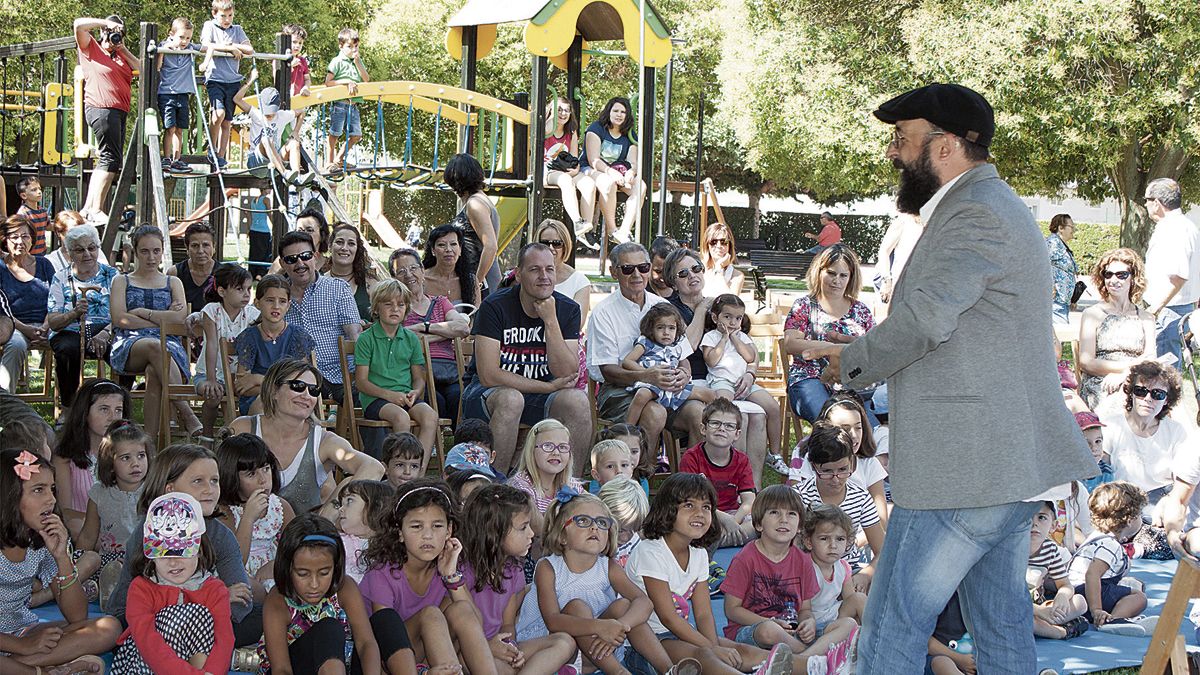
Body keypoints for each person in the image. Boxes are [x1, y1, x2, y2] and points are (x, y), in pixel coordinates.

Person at [801, 83, 1097, 673]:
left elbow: (925, 319)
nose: (892, 153)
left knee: (891, 620)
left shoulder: (977, 213)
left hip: (962, 467)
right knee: (1001, 621)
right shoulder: (984, 207)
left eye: (901, 139)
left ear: (944, 147)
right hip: (993, 467)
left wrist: (849, 359)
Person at [624, 473, 796, 675]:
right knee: (704, 655)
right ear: (667, 509)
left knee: (738, 650)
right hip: (647, 644)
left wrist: (716, 646)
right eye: (689, 505)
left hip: (679, 635)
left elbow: (704, 613)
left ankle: (815, 663)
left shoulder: (698, 555)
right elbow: (668, 617)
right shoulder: (651, 552)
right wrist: (712, 649)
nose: (700, 513)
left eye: (706, 507)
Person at [514, 487, 696, 675]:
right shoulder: (548, 567)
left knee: (624, 605)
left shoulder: (608, 566)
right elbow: (553, 621)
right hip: (555, 647)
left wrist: (621, 625)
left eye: (602, 523)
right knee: (577, 607)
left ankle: (668, 670)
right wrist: (600, 627)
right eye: (583, 521)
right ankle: (619, 672)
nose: (594, 527)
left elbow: (644, 602)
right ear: (562, 535)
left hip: (599, 649)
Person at [105, 443, 259, 647]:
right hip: (146, 617)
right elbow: (148, 603)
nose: (209, 490)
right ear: (170, 489)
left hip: (200, 616)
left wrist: (216, 608)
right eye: (198, 481)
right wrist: (217, 600)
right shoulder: (151, 531)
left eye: (214, 481)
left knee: (263, 616)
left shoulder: (221, 536)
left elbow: (241, 601)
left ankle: (194, 647)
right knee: (122, 630)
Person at [461, 243, 589, 472]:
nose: (544, 277)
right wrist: (546, 388)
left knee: (578, 401)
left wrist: (550, 321)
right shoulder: (495, 306)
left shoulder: (567, 309)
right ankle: (495, 487)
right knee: (512, 399)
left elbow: (567, 372)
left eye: (550, 270)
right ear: (518, 275)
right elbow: (489, 375)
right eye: (535, 270)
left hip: (538, 398)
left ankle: (570, 489)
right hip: (488, 395)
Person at [0, 450, 120, 675]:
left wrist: (62, 557)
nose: (52, 499)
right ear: (9, 496)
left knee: (109, 628)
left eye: (52, 489)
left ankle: (18, 668)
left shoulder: (40, 540)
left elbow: (77, 617)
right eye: (38, 490)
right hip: (14, 642)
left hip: (24, 631)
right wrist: (22, 646)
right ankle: (45, 671)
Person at [359, 479, 494, 672]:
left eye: (437, 526)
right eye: (416, 526)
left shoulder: (449, 565)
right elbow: (386, 636)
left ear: (449, 531)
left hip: (430, 653)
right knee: (430, 614)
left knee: (460, 608)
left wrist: (451, 575)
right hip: (388, 659)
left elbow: (474, 625)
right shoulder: (382, 573)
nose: (428, 535)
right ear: (400, 533)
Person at [589, 242, 705, 462]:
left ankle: (691, 481)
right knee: (655, 412)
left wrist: (684, 374)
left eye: (642, 268)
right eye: (627, 269)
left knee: (699, 413)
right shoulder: (603, 312)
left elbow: (682, 355)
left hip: (667, 387)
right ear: (614, 272)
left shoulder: (661, 305)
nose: (636, 274)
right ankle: (641, 475)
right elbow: (608, 372)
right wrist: (645, 375)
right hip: (618, 389)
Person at [662, 247, 772, 477]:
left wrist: (750, 372)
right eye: (683, 274)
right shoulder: (668, 310)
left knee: (758, 415)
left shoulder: (722, 306)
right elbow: (685, 347)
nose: (692, 276)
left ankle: (751, 489)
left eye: (696, 269)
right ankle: (697, 485)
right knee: (710, 414)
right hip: (686, 387)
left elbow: (747, 342)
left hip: (725, 382)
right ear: (672, 281)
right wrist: (702, 311)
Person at [260, 514, 415, 674]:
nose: (314, 584)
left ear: (336, 567)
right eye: (303, 574)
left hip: (346, 666)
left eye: (324, 573)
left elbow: (365, 643)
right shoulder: (277, 601)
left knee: (386, 619)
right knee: (329, 629)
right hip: (296, 669)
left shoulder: (345, 588)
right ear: (287, 568)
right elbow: (281, 669)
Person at [723, 485, 859, 667]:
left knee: (848, 624)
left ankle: (802, 661)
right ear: (758, 524)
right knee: (769, 630)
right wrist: (768, 621)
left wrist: (808, 623)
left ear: (800, 526)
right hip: (754, 629)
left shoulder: (802, 561)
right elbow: (732, 610)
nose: (783, 520)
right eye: (774, 513)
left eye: (791, 514)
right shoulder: (745, 559)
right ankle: (811, 661)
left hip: (793, 633)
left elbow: (805, 609)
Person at [228, 358, 384, 514]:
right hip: (244, 533)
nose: (306, 395)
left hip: (303, 536)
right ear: (273, 391)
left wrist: (331, 512)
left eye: (314, 390)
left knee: (348, 482)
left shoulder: (323, 441)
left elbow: (374, 468)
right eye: (298, 386)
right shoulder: (244, 428)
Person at [457, 484, 578, 673]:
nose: (531, 533)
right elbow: (455, 632)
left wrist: (511, 648)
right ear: (494, 531)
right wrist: (490, 647)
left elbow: (507, 623)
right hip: (469, 652)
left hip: (500, 646)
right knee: (491, 666)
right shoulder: (464, 571)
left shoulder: (513, 569)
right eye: (523, 527)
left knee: (565, 642)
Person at [111, 492, 234, 673]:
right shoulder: (141, 588)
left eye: (182, 551)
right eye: (163, 553)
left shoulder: (215, 589)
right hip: (142, 666)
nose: (173, 561)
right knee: (188, 614)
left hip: (197, 667)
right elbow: (146, 641)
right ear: (150, 557)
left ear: (199, 549)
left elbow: (224, 638)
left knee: (200, 615)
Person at [110, 225, 202, 443]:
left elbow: (179, 320)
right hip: (130, 344)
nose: (151, 257)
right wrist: (164, 317)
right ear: (135, 251)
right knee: (154, 346)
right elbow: (120, 319)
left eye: (156, 251)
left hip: (169, 346)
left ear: (162, 251)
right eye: (144, 251)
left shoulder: (173, 282)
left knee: (155, 369)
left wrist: (143, 312)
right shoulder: (122, 280)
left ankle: (150, 443)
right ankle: (187, 413)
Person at [783, 244, 875, 424]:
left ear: (851, 278)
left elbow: (873, 348)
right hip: (809, 378)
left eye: (843, 275)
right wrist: (832, 348)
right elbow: (790, 344)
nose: (837, 281)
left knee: (872, 430)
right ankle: (824, 448)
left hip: (851, 383)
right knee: (833, 421)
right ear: (819, 272)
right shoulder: (804, 305)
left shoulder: (861, 311)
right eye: (831, 273)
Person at [354, 279, 439, 464]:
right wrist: (390, 395)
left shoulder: (411, 339)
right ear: (376, 308)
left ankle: (417, 473)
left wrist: (416, 392)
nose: (395, 309)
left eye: (400, 304)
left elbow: (418, 378)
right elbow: (361, 382)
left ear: (407, 309)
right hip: (376, 399)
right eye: (388, 304)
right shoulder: (366, 339)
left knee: (430, 416)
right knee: (401, 417)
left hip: (405, 396)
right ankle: (400, 470)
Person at [794, 423, 884, 593]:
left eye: (843, 470)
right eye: (827, 471)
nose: (836, 479)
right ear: (813, 466)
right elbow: (790, 549)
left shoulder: (861, 498)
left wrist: (866, 574)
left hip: (849, 573)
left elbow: (882, 551)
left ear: (852, 463)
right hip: (807, 572)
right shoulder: (799, 497)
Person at [278, 230, 362, 402]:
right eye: (291, 259)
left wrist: (360, 376)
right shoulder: (278, 297)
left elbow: (355, 337)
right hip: (297, 380)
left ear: (315, 256)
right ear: (283, 263)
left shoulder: (338, 289)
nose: (300, 263)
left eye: (305, 256)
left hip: (340, 376)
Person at [76, 419, 152, 607]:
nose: (136, 463)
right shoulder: (99, 493)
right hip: (109, 560)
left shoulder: (154, 491)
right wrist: (79, 556)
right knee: (90, 562)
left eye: (141, 456)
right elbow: (88, 534)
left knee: (145, 572)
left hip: (142, 559)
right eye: (126, 458)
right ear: (110, 463)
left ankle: (112, 591)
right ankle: (95, 587)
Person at [1066, 481, 1156, 636]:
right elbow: (1092, 575)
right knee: (1139, 597)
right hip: (1086, 591)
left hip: (1075, 591)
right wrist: (1097, 610)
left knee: (1135, 584)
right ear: (1130, 520)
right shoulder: (1110, 544)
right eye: (1139, 515)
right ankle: (1112, 620)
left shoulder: (1097, 537)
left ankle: (1111, 614)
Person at [392, 247, 470, 424]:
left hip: (449, 372)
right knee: (437, 403)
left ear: (422, 270)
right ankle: (435, 447)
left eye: (413, 268)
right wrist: (445, 333)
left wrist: (423, 327)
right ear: (394, 278)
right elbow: (397, 337)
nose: (409, 275)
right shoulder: (396, 308)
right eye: (401, 271)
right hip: (416, 374)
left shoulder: (440, 302)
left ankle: (458, 449)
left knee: (460, 398)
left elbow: (462, 327)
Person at [1100, 360, 1191, 509]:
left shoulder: (1176, 432)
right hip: (1121, 503)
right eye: (1141, 391)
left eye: (1158, 394)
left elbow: (1183, 481)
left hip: (1163, 503)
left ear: (1167, 399)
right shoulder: (1110, 426)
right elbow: (1101, 477)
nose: (1148, 399)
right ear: (1131, 392)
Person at [702, 294, 783, 460]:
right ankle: (728, 455)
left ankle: (775, 455)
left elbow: (750, 357)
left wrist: (734, 338)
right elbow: (711, 360)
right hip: (721, 381)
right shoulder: (710, 337)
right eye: (727, 317)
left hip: (744, 382)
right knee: (727, 409)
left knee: (773, 407)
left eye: (738, 318)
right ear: (715, 317)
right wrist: (725, 338)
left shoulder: (743, 337)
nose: (733, 323)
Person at [74, 14, 138, 223]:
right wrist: (105, 24)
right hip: (102, 108)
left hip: (118, 111)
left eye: (119, 33)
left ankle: (88, 208)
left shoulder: (122, 57)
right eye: (111, 33)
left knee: (109, 159)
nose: (113, 36)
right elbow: (79, 25)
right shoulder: (91, 48)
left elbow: (146, 70)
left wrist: (122, 48)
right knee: (110, 158)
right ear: (102, 32)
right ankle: (96, 209)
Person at [215, 433, 296, 594]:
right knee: (247, 586)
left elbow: (298, 545)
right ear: (231, 477)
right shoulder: (225, 513)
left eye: (266, 469)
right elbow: (234, 564)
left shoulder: (280, 507)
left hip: (273, 570)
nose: (263, 480)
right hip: (239, 576)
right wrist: (248, 518)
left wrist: (277, 564)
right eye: (251, 474)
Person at [1078, 248, 1156, 410]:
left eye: (1121, 275)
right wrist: (1130, 366)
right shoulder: (1092, 314)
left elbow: (1151, 359)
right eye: (1108, 274)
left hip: (1137, 381)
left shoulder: (1146, 318)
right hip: (1101, 383)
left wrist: (1125, 374)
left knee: (1170, 408)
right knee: (1118, 404)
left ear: (1133, 278)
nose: (1114, 280)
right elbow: (1086, 362)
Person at [52, 378, 132, 535]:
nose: (113, 417)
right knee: (75, 524)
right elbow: (66, 512)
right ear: (85, 412)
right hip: (86, 530)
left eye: (118, 410)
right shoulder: (65, 459)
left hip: (126, 527)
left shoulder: (130, 455)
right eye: (104, 409)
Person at [679, 398, 758, 549]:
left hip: (733, 514)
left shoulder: (742, 460)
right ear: (703, 429)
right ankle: (726, 539)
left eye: (729, 426)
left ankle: (710, 542)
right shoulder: (691, 458)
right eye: (715, 423)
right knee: (685, 522)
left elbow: (749, 501)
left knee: (760, 522)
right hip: (701, 512)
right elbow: (688, 500)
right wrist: (725, 520)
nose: (722, 429)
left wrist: (734, 521)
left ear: (737, 434)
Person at [232, 274, 316, 415]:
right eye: (270, 300)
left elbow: (303, 382)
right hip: (256, 400)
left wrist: (260, 379)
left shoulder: (297, 336)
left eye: (282, 301)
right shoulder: (249, 337)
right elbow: (243, 386)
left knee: (287, 407)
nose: (276, 306)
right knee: (264, 405)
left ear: (288, 305)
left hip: (293, 400)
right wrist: (282, 388)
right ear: (258, 303)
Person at [622, 303, 715, 429]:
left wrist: (684, 373)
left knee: (710, 395)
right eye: (660, 328)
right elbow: (627, 362)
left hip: (674, 387)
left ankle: (714, 427)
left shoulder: (676, 345)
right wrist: (647, 373)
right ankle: (627, 430)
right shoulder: (646, 342)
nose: (666, 333)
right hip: (653, 384)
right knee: (642, 394)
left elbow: (684, 364)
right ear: (651, 328)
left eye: (671, 328)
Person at [1142, 177, 1200, 365]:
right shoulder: (1184, 225)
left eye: (1147, 200)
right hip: (1172, 307)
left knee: (1163, 370)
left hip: (1168, 310)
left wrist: (1156, 307)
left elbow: (1179, 276)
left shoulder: (1175, 229)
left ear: (1157, 203)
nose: (1146, 205)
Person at [194, 264, 257, 437]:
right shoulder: (212, 311)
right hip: (210, 373)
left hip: (239, 376)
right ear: (222, 291)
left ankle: (238, 434)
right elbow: (212, 345)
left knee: (250, 392)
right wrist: (211, 379)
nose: (246, 294)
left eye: (249, 289)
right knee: (213, 394)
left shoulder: (251, 314)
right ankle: (207, 436)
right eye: (239, 289)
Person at [580, 97, 645, 245]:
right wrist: (611, 172)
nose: (619, 114)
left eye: (623, 112)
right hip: (593, 170)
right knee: (608, 184)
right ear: (608, 111)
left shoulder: (630, 135)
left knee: (641, 186)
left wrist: (631, 172)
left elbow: (632, 162)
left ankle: (624, 230)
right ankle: (612, 230)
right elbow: (593, 160)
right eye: (615, 110)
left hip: (619, 171)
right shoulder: (596, 129)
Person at [0, 215, 54, 393]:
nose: (20, 241)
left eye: (25, 236)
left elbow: (57, 299)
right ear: (5, 240)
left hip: (49, 324)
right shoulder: (1, 268)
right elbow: (2, 309)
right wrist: (26, 329)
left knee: (68, 343)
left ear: (32, 239)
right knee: (16, 345)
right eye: (14, 237)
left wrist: (45, 326)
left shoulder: (45, 265)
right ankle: (6, 403)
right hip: (15, 326)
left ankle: (68, 407)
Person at [505, 419, 584, 539]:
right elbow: (541, 531)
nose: (556, 452)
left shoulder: (572, 485)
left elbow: (593, 512)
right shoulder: (520, 486)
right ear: (532, 450)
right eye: (548, 446)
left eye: (563, 447)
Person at [200, 0, 253, 169]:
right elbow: (206, 46)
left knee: (227, 121)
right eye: (223, 16)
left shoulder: (237, 30)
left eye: (230, 15)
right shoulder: (210, 26)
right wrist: (229, 50)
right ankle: (212, 148)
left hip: (233, 80)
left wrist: (233, 46)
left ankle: (221, 156)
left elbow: (249, 50)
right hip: (215, 78)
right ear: (214, 14)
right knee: (219, 113)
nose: (227, 19)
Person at [1028, 501, 1089, 640]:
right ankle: (1061, 632)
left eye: (1042, 517)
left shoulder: (1050, 549)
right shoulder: (1010, 549)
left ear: (1054, 526)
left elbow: (1065, 585)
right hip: (1015, 606)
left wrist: (1062, 596)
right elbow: (1004, 596)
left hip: (1039, 607)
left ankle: (1044, 624)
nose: (1034, 524)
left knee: (1079, 602)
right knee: (1023, 619)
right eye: (1028, 518)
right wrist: (1038, 611)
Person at [802, 505, 867, 631]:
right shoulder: (806, 568)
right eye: (824, 538)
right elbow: (804, 609)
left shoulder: (843, 567)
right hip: (811, 623)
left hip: (835, 616)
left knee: (859, 598)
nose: (833, 545)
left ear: (848, 542)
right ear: (809, 542)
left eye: (840, 539)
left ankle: (876, 637)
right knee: (849, 624)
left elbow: (850, 599)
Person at [544, 97, 597, 243]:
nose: (563, 113)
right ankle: (577, 221)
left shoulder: (571, 132)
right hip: (548, 170)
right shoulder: (546, 128)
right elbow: (547, 129)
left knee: (588, 184)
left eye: (567, 110)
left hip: (565, 169)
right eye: (559, 109)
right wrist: (553, 115)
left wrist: (575, 169)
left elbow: (574, 158)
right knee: (565, 180)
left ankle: (586, 229)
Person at [445, 153, 501, 294]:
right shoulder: (473, 200)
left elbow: (490, 246)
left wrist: (477, 282)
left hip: (484, 280)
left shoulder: (475, 204)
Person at [156, 17, 201, 173]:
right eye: (181, 37)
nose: (185, 41)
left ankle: (177, 159)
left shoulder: (190, 48)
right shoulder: (164, 46)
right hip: (167, 93)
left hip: (182, 94)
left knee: (180, 129)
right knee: (170, 127)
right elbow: (157, 67)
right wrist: (165, 50)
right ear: (171, 34)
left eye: (188, 38)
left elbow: (206, 48)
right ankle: (166, 158)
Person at [324, 28, 369, 172]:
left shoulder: (357, 61)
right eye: (349, 46)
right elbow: (328, 82)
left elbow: (366, 80)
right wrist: (346, 82)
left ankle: (340, 158)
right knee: (335, 134)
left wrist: (358, 63)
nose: (353, 49)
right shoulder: (337, 61)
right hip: (340, 104)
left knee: (357, 135)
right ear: (341, 46)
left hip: (353, 104)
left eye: (356, 46)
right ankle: (330, 162)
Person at [333, 479, 394, 583]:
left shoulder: (394, 547)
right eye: (341, 504)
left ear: (377, 506)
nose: (341, 509)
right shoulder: (337, 544)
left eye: (349, 501)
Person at [536, 218, 593, 321]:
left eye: (557, 243)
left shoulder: (580, 282)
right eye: (544, 243)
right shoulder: (525, 275)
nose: (551, 248)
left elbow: (577, 323)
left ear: (565, 246)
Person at [324, 223, 380, 323]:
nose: (344, 248)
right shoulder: (319, 281)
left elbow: (384, 323)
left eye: (351, 244)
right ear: (330, 246)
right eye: (339, 242)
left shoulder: (370, 283)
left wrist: (365, 325)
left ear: (357, 249)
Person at [872, 213, 923, 320]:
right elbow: (884, 251)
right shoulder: (904, 221)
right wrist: (887, 281)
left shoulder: (935, 221)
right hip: (900, 284)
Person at [168, 222, 222, 314]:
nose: (201, 251)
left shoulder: (225, 274)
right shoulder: (175, 273)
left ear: (214, 247)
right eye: (195, 246)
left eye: (206, 245)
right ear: (187, 248)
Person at [422, 222, 480, 308]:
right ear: (433, 250)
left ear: (460, 249)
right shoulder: (421, 281)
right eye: (441, 245)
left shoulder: (471, 281)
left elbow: (476, 315)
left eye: (453, 244)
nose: (448, 249)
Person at [45, 211, 110, 276]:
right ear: (58, 233)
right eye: (71, 232)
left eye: (81, 231)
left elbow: (109, 276)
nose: (77, 236)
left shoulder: (95, 252)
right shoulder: (51, 260)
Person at [1046, 213, 1079, 325]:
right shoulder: (1052, 243)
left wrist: (1072, 299)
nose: (1073, 230)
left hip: (1062, 301)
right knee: (1060, 337)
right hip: (1056, 301)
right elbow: (1044, 266)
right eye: (1071, 227)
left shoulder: (1061, 245)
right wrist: (1050, 285)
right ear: (1060, 228)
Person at [701, 222, 744, 296]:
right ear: (707, 245)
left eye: (723, 242)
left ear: (729, 246)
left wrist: (719, 269)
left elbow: (731, 304)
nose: (718, 246)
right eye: (713, 242)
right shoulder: (698, 270)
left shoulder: (737, 276)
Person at [14, 177, 48, 255]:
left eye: (39, 188)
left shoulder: (42, 211)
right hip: (28, 254)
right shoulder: (23, 213)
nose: (39, 192)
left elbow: (48, 226)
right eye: (34, 190)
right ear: (24, 195)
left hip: (42, 252)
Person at [649, 235, 680, 300]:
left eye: (668, 271)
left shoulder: (683, 291)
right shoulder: (641, 292)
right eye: (658, 272)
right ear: (649, 265)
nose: (664, 277)